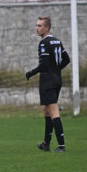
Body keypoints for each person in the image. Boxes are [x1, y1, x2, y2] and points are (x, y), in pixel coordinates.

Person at [26, 16, 70, 152]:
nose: (37, 28)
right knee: (46, 110)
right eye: (36, 25)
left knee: (53, 111)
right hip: (56, 80)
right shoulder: (57, 41)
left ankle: (61, 145)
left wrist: (31, 72)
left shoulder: (44, 43)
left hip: (48, 81)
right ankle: (46, 143)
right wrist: (56, 70)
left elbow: (44, 65)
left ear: (47, 28)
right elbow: (66, 59)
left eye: (40, 26)